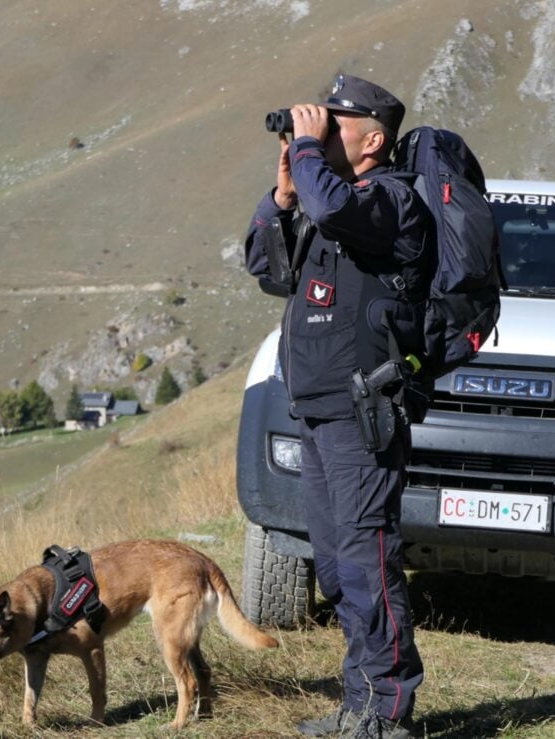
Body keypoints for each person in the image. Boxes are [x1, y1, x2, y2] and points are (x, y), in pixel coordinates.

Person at [244, 75, 430, 739]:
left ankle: (387, 711)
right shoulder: (331, 200)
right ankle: (359, 705)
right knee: (337, 567)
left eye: (335, 124)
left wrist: (306, 156)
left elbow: (333, 210)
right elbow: (269, 270)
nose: (318, 134)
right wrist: (281, 196)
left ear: (373, 139)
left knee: (365, 559)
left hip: (361, 414)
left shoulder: (392, 200)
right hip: (317, 411)